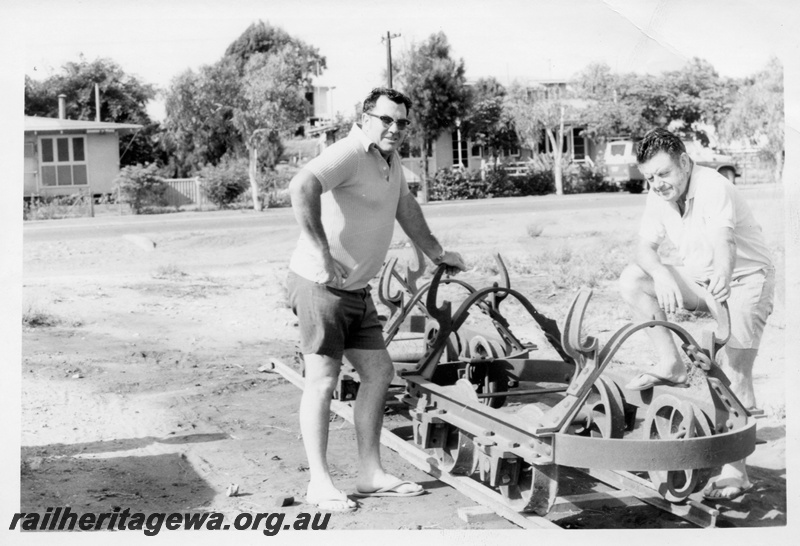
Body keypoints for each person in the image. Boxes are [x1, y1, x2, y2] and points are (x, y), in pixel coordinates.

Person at [287, 87, 466, 512]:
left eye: (401, 122)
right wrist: (321, 252)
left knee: (379, 372)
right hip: (320, 286)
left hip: (355, 290)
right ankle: (319, 483)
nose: (394, 128)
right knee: (323, 380)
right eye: (386, 119)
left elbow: (405, 206)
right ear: (366, 118)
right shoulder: (349, 152)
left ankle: (370, 474)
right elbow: (302, 185)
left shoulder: (391, 159)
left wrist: (437, 252)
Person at [618, 128, 774, 501]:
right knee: (633, 280)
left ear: (685, 163)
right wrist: (660, 273)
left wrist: (723, 273)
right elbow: (643, 247)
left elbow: (725, 240)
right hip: (703, 280)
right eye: (650, 177)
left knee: (733, 371)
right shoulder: (659, 195)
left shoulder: (713, 185)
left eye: (664, 173)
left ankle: (736, 472)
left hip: (745, 279)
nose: (657, 183)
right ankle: (671, 364)